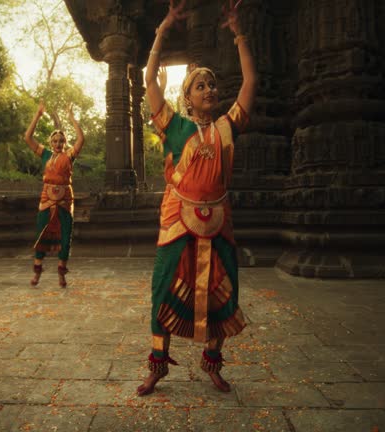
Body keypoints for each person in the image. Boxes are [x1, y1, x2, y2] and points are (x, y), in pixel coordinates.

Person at [137, 0, 257, 396]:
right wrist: (164, 27)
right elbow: (149, 79)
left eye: (212, 84)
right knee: (163, 288)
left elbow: (250, 84)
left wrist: (238, 34)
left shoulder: (227, 127)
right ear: (188, 97)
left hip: (219, 218)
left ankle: (213, 364)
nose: (210, 89)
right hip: (177, 219)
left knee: (225, 290)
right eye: (201, 85)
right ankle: (157, 365)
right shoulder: (174, 126)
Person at [24, 102, 85, 288]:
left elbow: (81, 139)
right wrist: (37, 114)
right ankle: (37, 271)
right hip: (46, 198)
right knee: (42, 233)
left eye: (61, 141)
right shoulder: (45, 155)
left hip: (65, 199)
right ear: (51, 143)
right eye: (55, 141)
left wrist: (72, 118)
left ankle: (61, 273)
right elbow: (27, 137)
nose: (58, 144)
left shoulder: (69, 156)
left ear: (64, 143)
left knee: (65, 236)